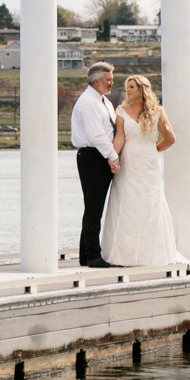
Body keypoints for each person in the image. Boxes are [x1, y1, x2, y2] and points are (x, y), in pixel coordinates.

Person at [101, 74, 179, 267]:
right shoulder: (121, 111)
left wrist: (153, 150)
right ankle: (121, 255)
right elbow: (119, 137)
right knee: (126, 204)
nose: (127, 90)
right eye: (127, 86)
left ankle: (150, 254)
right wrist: (113, 156)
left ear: (142, 89)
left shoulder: (157, 112)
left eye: (132, 87)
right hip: (128, 162)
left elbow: (170, 139)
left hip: (148, 164)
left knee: (149, 204)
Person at [71, 62, 120, 267]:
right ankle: (93, 255)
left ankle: (85, 254)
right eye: (108, 79)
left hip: (98, 155)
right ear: (97, 81)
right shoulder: (89, 103)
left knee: (93, 207)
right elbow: (96, 135)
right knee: (94, 208)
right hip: (93, 156)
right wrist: (112, 156)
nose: (111, 83)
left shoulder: (103, 101)